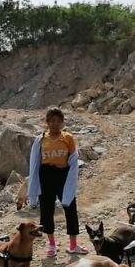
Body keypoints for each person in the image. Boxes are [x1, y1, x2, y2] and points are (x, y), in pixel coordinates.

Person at [27, 107, 89, 257]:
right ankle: (51, 244)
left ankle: (73, 244)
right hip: (46, 175)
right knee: (46, 210)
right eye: (52, 121)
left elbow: (73, 159)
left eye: (58, 121)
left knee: (70, 207)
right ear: (47, 122)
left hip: (63, 175)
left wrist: (72, 178)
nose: (55, 124)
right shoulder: (41, 139)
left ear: (62, 122)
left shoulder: (68, 138)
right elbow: (35, 162)